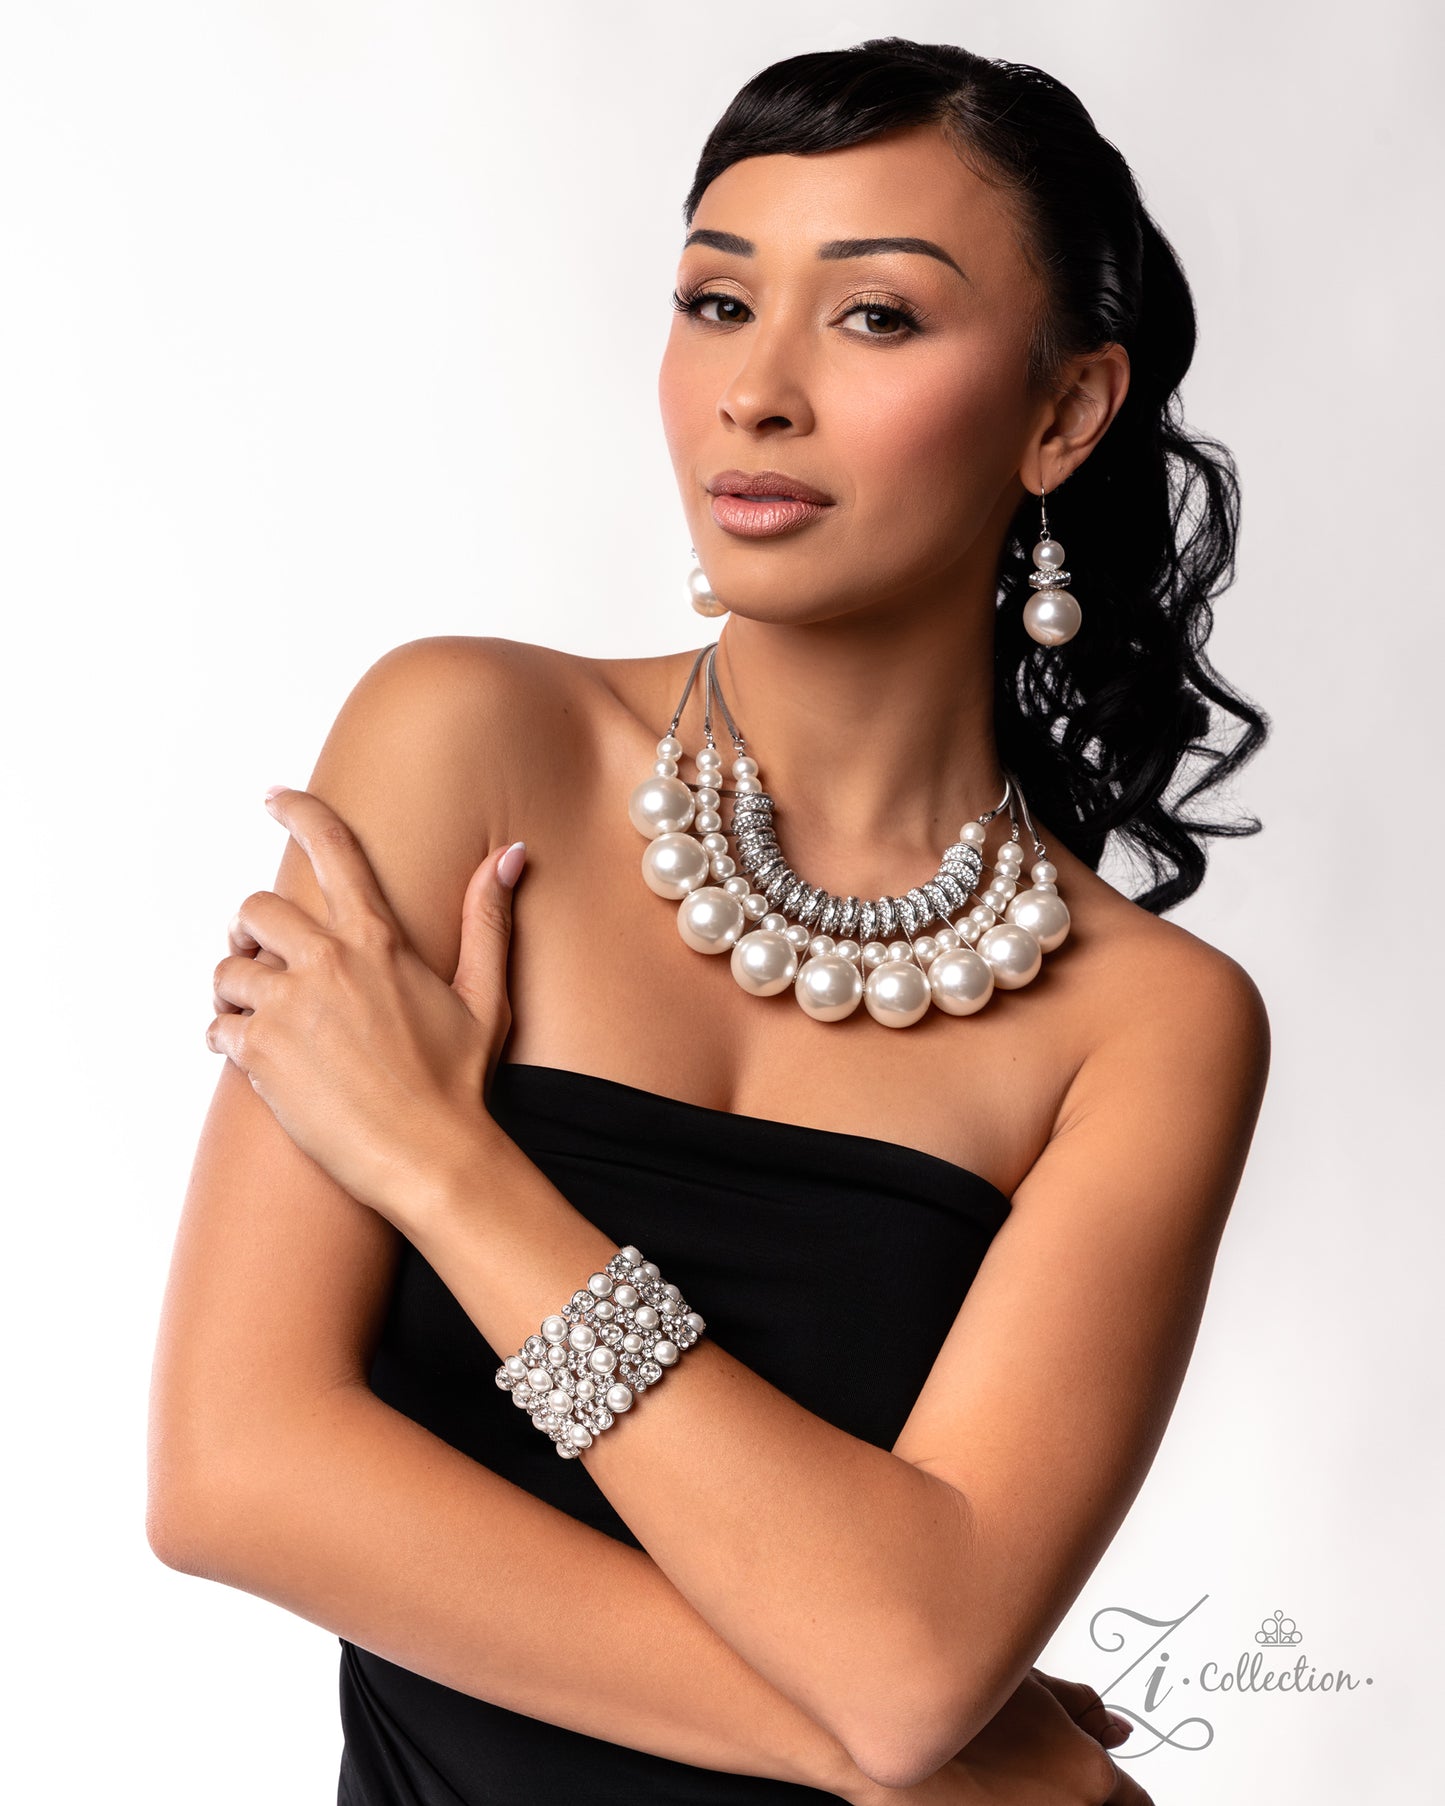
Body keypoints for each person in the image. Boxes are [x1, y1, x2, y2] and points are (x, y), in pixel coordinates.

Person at [146, 37, 1271, 1806]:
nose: (753, 391)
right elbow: (232, 1473)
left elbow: (910, 1658)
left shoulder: (1151, 1022)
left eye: (874, 316)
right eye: (715, 301)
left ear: (1062, 414)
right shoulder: (467, 743)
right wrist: (948, 1761)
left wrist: (450, 1167)